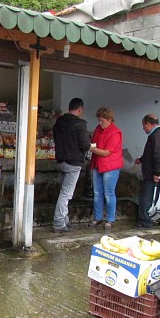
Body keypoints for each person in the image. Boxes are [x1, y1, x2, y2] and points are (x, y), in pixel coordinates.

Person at [52, 98, 92, 232]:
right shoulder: (80, 124)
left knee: (63, 192)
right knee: (66, 194)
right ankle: (59, 223)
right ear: (80, 109)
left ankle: (64, 219)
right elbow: (85, 145)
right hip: (73, 162)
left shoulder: (59, 122)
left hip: (60, 160)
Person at [88, 108, 123, 229]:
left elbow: (106, 152)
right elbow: (94, 142)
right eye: (99, 121)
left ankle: (110, 219)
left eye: (102, 121)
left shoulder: (115, 133)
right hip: (97, 164)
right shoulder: (98, 129)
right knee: (97, 193)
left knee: (109, 194)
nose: (100, 123)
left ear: (109, 120)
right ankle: (98, 218)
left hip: (110, 167)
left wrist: (91, 149)